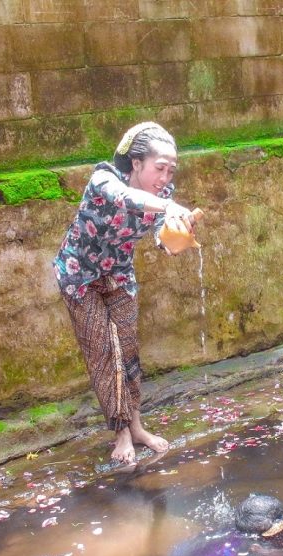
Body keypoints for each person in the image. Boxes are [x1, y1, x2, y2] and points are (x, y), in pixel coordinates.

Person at [53, 122, 198, 464]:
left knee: (129, 350)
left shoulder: (162, 196)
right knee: (104, 352)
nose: (165, 177)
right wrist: (168, 207)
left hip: (118, 275)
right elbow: (127, 198)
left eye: (170, 170)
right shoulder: (104, 179)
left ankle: (136, 426)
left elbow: (162, 239)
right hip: (79, 277)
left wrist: (177, 238)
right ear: (136, 163)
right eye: (159, 168)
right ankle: (120, 435)